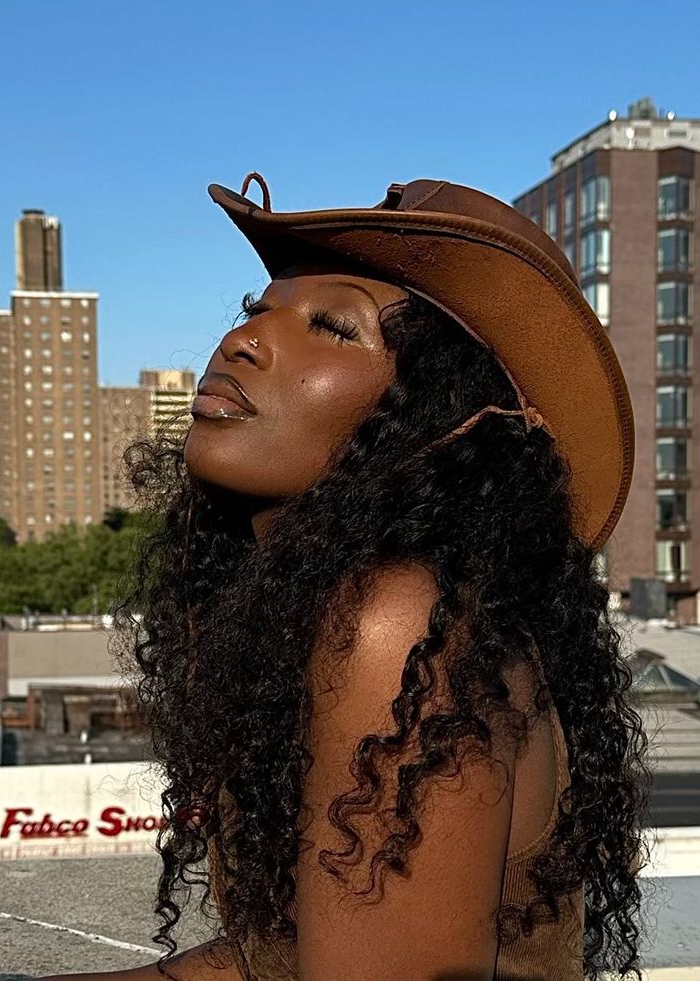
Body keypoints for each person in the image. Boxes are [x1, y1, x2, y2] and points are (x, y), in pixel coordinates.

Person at [44, 173, 649, 981]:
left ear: (435, 413)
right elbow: (278, 961)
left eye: (333, 327)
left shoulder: (401, 626)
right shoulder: (306, 609)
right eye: (257, 310)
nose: (246, 341)